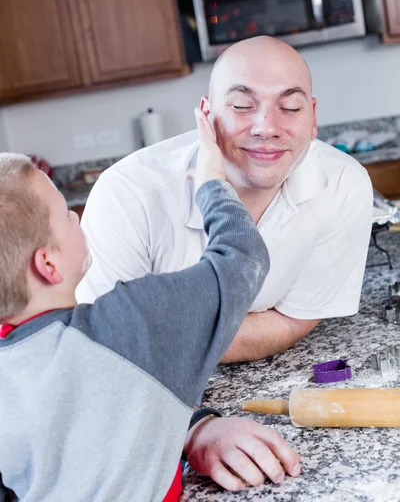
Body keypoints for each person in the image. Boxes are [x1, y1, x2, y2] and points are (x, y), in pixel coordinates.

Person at [0, 112, 300, 502]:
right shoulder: (134, 320)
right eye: (65, 213)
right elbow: (243, 258)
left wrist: (192, 423)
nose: (77, 216)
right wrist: (211, 183)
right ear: (48, 265)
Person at [78, 35, 373, 362]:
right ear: (206, 115)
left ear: (313, 118)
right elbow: (110, 340)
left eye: (289, 107)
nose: (266, 127)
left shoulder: (343, 186)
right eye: (242, 106)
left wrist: (164, 334)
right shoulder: (127, 194)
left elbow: (294, 319)